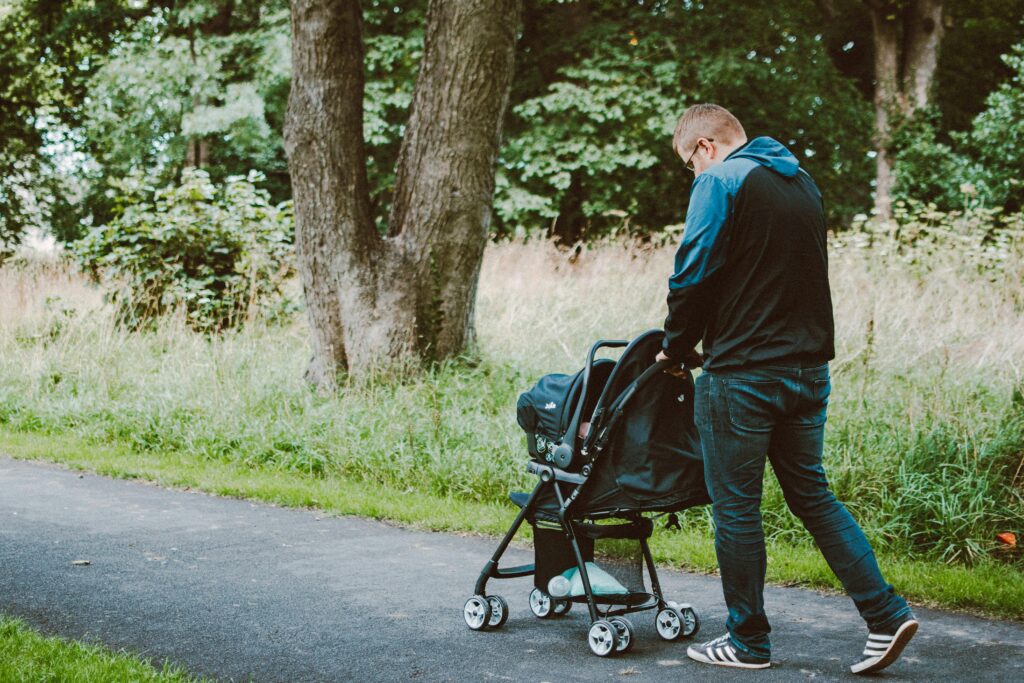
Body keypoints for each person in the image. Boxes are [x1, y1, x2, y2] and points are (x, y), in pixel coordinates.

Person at [654, 104, 917, 674]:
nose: (692, 177)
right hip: (808, 372)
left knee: (737, 510)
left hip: (744, 376)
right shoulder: (802, 183)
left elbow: (691, 272)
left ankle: (747, 643)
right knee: (813, 497)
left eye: (688, 165)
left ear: (704, 147)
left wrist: (676, 350)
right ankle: (886, 615)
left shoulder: (721, 180)